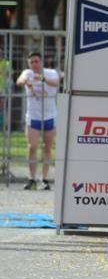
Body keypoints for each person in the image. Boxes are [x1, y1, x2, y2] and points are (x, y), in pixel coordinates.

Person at [16, 52, 60, 190]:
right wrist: (26, 82)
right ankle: (31, 178)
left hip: (49, 116)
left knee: (47, 147)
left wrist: (42, 79)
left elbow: (57, 82)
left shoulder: (51, 73)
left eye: (36, 61)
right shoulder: (27, 73)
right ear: (29, 63)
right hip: (33, 116)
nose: (34, 64)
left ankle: (44, 178)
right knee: (32, 147)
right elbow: (19, 81)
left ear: (41, 62)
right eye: (31, 62)